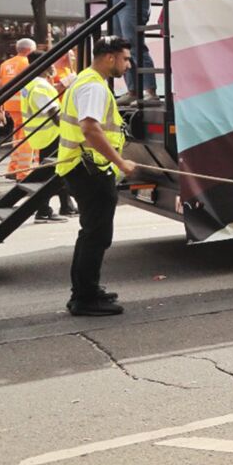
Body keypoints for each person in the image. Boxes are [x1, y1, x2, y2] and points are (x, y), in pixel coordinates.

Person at [57, 36, 139, 317]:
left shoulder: (84, 80)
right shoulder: (94, 87)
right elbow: (90, 129)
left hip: (81, 167)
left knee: (90, 233)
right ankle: (85, 298)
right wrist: (121, 163)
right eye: (125, 58)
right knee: (97, 235)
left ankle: (84, 291)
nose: (128, 64)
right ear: (110, 58)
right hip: (90, 170)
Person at [20, 61, 67, 222]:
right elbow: (54, 113)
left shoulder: (31, 83)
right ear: (44, 66)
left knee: (55, 171)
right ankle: (43, 209)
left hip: (41, 134)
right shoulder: (41, 86)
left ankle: (65, 204)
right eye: (51, 64)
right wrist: (72, 130)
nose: (54, 67)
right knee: (49, 174)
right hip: (51, 134)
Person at [1, 37, 37, 177]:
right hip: (24, 105)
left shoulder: (5, 64)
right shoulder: (27, 62)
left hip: (10, 104)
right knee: (26, 138)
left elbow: (0, 84)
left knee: (17, 135)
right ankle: (22, 172)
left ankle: (13, 168)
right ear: (29, 50)